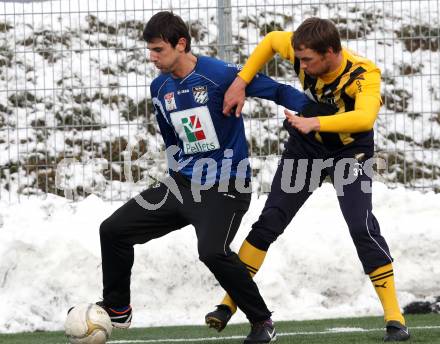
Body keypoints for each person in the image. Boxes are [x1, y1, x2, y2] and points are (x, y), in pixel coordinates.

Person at [97, 12, 335, 344]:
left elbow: (278, 91)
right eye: (149, 50)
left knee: (212, 251)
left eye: (158, 50)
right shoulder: (159, 86)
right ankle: (118, 307)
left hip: (226, 185)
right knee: (113, 231)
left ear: (181, 44)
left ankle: (262, 321)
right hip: (183, 184)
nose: (152, 57)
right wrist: (174, 173)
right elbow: (170, 136)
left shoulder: (221, 76)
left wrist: (323, 117)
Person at [205, 17, 410, 342]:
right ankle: (228, 305)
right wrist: (242, 80)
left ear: (330, 52)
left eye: (308, 60)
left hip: (350, 153)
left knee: (361, 226)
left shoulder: (363, 74)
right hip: (306, 149)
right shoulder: (302, 49)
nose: (300, 65)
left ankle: (395, 320)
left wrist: (314, 122)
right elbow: (272, 39)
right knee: (269, 222)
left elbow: (365, 117)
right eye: (299, 58)